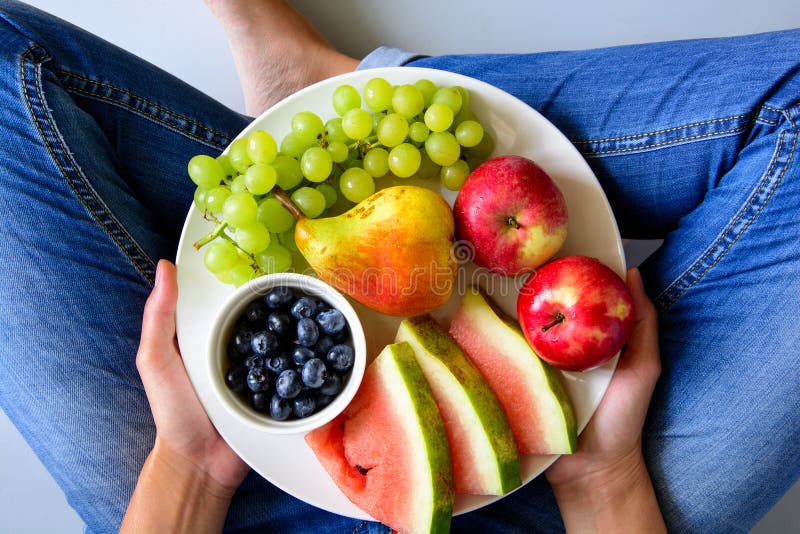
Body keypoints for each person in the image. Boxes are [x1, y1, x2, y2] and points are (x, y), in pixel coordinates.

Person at [0, 0, 797, 532]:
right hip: (553, 500)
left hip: (224, 505)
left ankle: (340, 116)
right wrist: (603, 478)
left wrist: (191, 466)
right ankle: (352, 100)